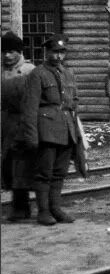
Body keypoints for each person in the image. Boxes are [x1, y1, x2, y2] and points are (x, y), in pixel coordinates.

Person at [20, 35, 83, 225]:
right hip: (46, 131)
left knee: (59, 173)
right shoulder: (38, 74)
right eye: (54, 52)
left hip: (66, 130)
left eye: (61, 53)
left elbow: (74, 103)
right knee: (44, 173)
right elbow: (30, 107)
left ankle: (56, 208)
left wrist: (77, 132)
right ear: (46, 53)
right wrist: (31, 135)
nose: (58, 57)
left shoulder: (68, 74)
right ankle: (44, 211)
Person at [2, 32, 36, 221]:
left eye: (12, 51)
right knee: (7, 166)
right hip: (4, 124)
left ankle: (21, 207)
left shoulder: (30, 70)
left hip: (22, 122)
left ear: (20, 52)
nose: (7, 56)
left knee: (21, 166)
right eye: (4, 52)